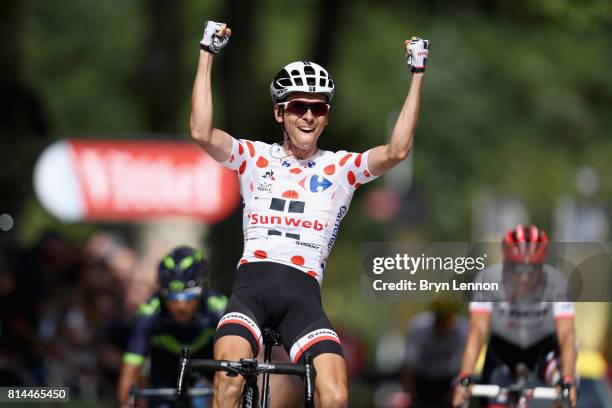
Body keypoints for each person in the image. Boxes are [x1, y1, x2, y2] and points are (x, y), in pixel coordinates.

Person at [190, 20, 428, 408]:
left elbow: (397, 150)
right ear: (279, 113)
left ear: (326, 116)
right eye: (298, 106)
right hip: (252, 289)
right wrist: (206, 54)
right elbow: (201, 132)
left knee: (335, 394)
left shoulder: (341, 168)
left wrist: (417, 73)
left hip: (303, 297)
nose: (308, 116)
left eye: (317, 108)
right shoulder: (254, 157)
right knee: (228, 382)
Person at [452, 225, 578, 407]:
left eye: (532, 269)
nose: (524, 277)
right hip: (503, 351)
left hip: (543, 350)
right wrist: (464, 377)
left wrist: (567, 379)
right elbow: (477, 331)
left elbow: (567, 334)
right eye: (517, 269)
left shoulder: (556, 283)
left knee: (567, 388)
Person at [118, 246, 227, 408]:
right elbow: (130, 371)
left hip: (208, 364)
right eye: (172, 296)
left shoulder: (219, 306)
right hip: (165, 369)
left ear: (204, 287)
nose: (181, 305)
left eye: (190, 295)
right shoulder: (149, 312)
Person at [402, 301, 468, 407]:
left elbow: (463, 365)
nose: (444, 322)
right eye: (440, 317)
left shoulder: (462, 330)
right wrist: (410, 394)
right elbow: (408, 367)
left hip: (448, 381)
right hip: (421, 380)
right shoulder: (419, 327)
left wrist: (456, 390)